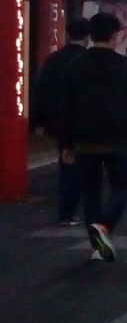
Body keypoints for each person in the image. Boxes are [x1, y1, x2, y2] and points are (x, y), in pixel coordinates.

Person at [56, 12, 127, 261]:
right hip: (116, 138)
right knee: (122, 187)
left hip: (84, 139)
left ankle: (97, 247)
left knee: (91, 193)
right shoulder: (126, 66)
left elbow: (65, 107)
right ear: (115, 35)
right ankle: (105, 227)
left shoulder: (74, 66)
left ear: (91, 35)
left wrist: (66, 143)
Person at [31, 16, 90, 224]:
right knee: (80, 165)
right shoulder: (87, 60)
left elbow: (40, 89)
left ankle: (66, 211)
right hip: (84, 120)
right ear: (88, 36)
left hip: (58, 119)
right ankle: (69, 211)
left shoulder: (54, 59)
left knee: (67, 161)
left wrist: (39, 120)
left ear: (68, 34)